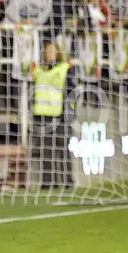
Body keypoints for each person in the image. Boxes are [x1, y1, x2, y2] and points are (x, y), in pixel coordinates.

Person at [31, 41, 74, 189]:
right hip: (42, 115)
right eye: (47, 51)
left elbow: (71, 90)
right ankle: (48, 181)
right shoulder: (39, 71)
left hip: (61, 114)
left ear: (58, 53)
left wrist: (69, 111)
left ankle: (67, 181)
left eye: (52, 51)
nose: (49, 54)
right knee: (46, 150)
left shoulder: (64, 69)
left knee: (63, 149)